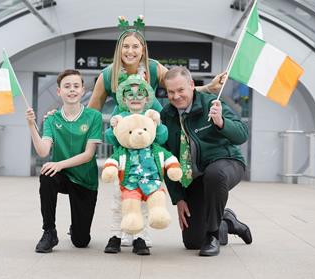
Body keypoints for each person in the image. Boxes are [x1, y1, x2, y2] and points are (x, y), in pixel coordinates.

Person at [87, 15, 226, 255]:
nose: (130, 51)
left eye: (135, 46)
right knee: (122, 192)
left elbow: (181, 87)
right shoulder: (108, 75)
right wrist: (60, 117)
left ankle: (141, 236)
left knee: (148, 187)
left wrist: (209, 88)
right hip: (125, 140)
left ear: (143, 50)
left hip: (153, 137)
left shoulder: (153, 68)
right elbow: (91, 112)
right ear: (119, 49)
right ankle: (116, 235)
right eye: (125, 46)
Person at [160, 66, 253, 257]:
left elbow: (242, 134)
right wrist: (179, 198)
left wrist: (221, 122)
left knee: (215, 174)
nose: (176, 96)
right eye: (171, 92)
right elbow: (167, 159)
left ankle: (212, 235)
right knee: (193, 242)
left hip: (227, 164)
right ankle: (226, 220)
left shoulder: (212, 103)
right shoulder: (166, 115)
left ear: (192, 86)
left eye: (180, 90)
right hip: (196, 178)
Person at [26, 69, 102, 253]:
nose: (72, 90)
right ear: (59, 91)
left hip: (85, 180)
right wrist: (31, 125)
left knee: (81, 241)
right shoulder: (52, 118)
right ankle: (49, 232)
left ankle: (76, 229)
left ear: (83, 90)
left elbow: (88, 155)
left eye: (76, 86)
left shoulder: (94, 116)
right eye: (67, 86)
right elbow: (43, 151)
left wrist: (59, 164)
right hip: (63, 177)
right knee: (47, 175)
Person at [103, 74, 168, 256]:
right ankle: (115, 235)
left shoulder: (151, 116)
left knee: (144, 206)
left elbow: (162, 137)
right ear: (123, 98)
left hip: (149, 172)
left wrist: (159, 123)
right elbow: (110, 138)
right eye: (129, 94)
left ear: (147, 98)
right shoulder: (120, 116)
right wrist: (113, 126)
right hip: (125, 169)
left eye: (140, 93)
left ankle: (140, 238)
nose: (134, 97)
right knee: (119, 204)